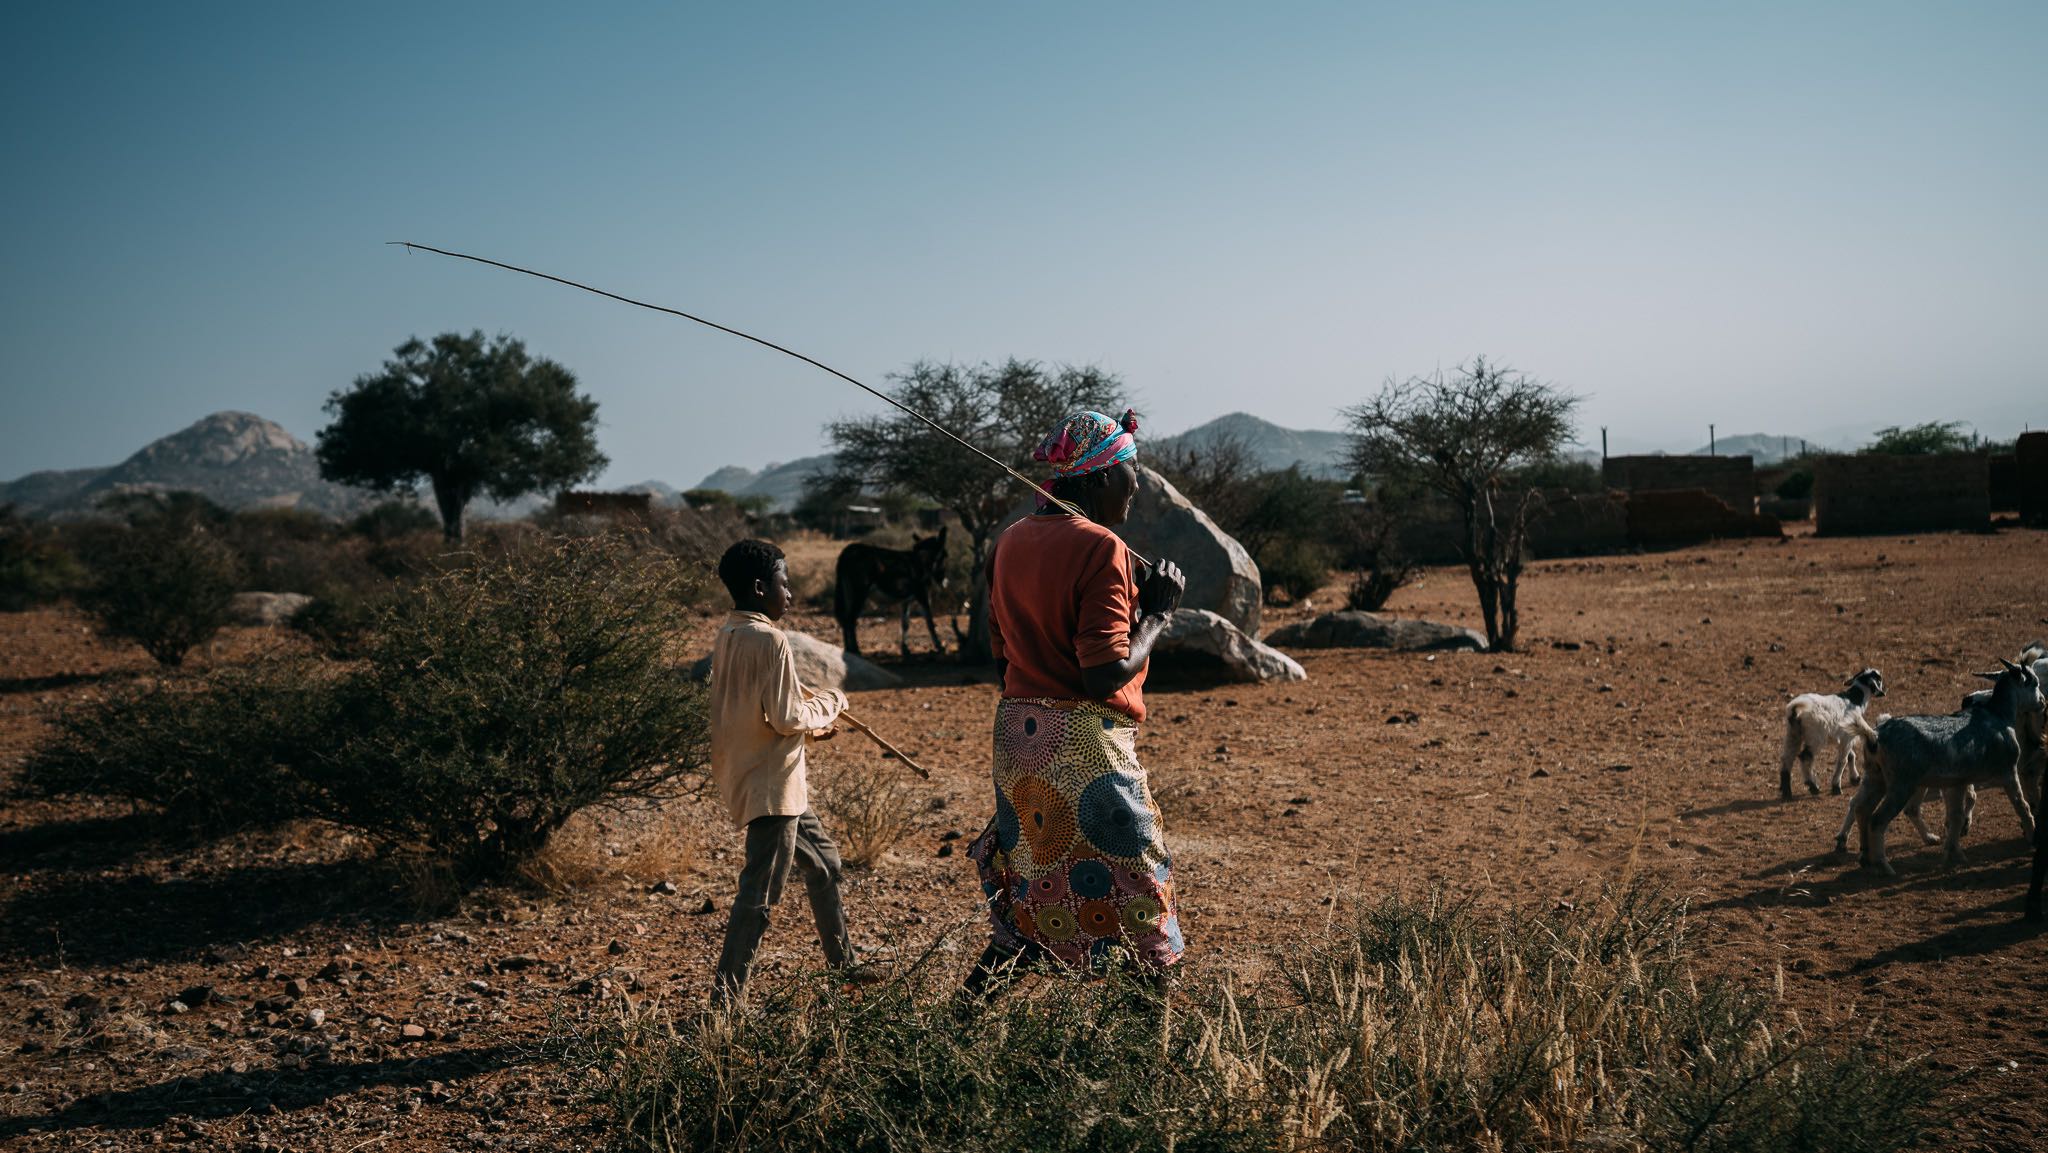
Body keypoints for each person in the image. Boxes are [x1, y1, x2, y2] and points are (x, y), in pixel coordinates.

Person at [963, 409, 1188, 999]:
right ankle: (1156, 1044)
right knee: (1142, 896)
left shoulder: (1009, 542)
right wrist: (1158, 615)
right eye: (1131, 471)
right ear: (1100, 476)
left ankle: (956, 1025)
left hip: (1020, 739)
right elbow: (1102, 674)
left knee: (1030, 894)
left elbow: (1002, 660)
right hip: (1084, 746)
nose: (1136, 486)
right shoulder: (1102, 548)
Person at [707, 539, 876, 1004]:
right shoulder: (771, 640)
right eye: (784, 584)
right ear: (760, 588)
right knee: (759, 895)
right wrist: (832, 701)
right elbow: (786, 718)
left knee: (825, 864)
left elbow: (756, 714)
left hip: (769, 778)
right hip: (771, 787)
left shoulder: (730, 633)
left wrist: (810, 731)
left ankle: (844, 967)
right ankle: (725, 1005)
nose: (790, 594)